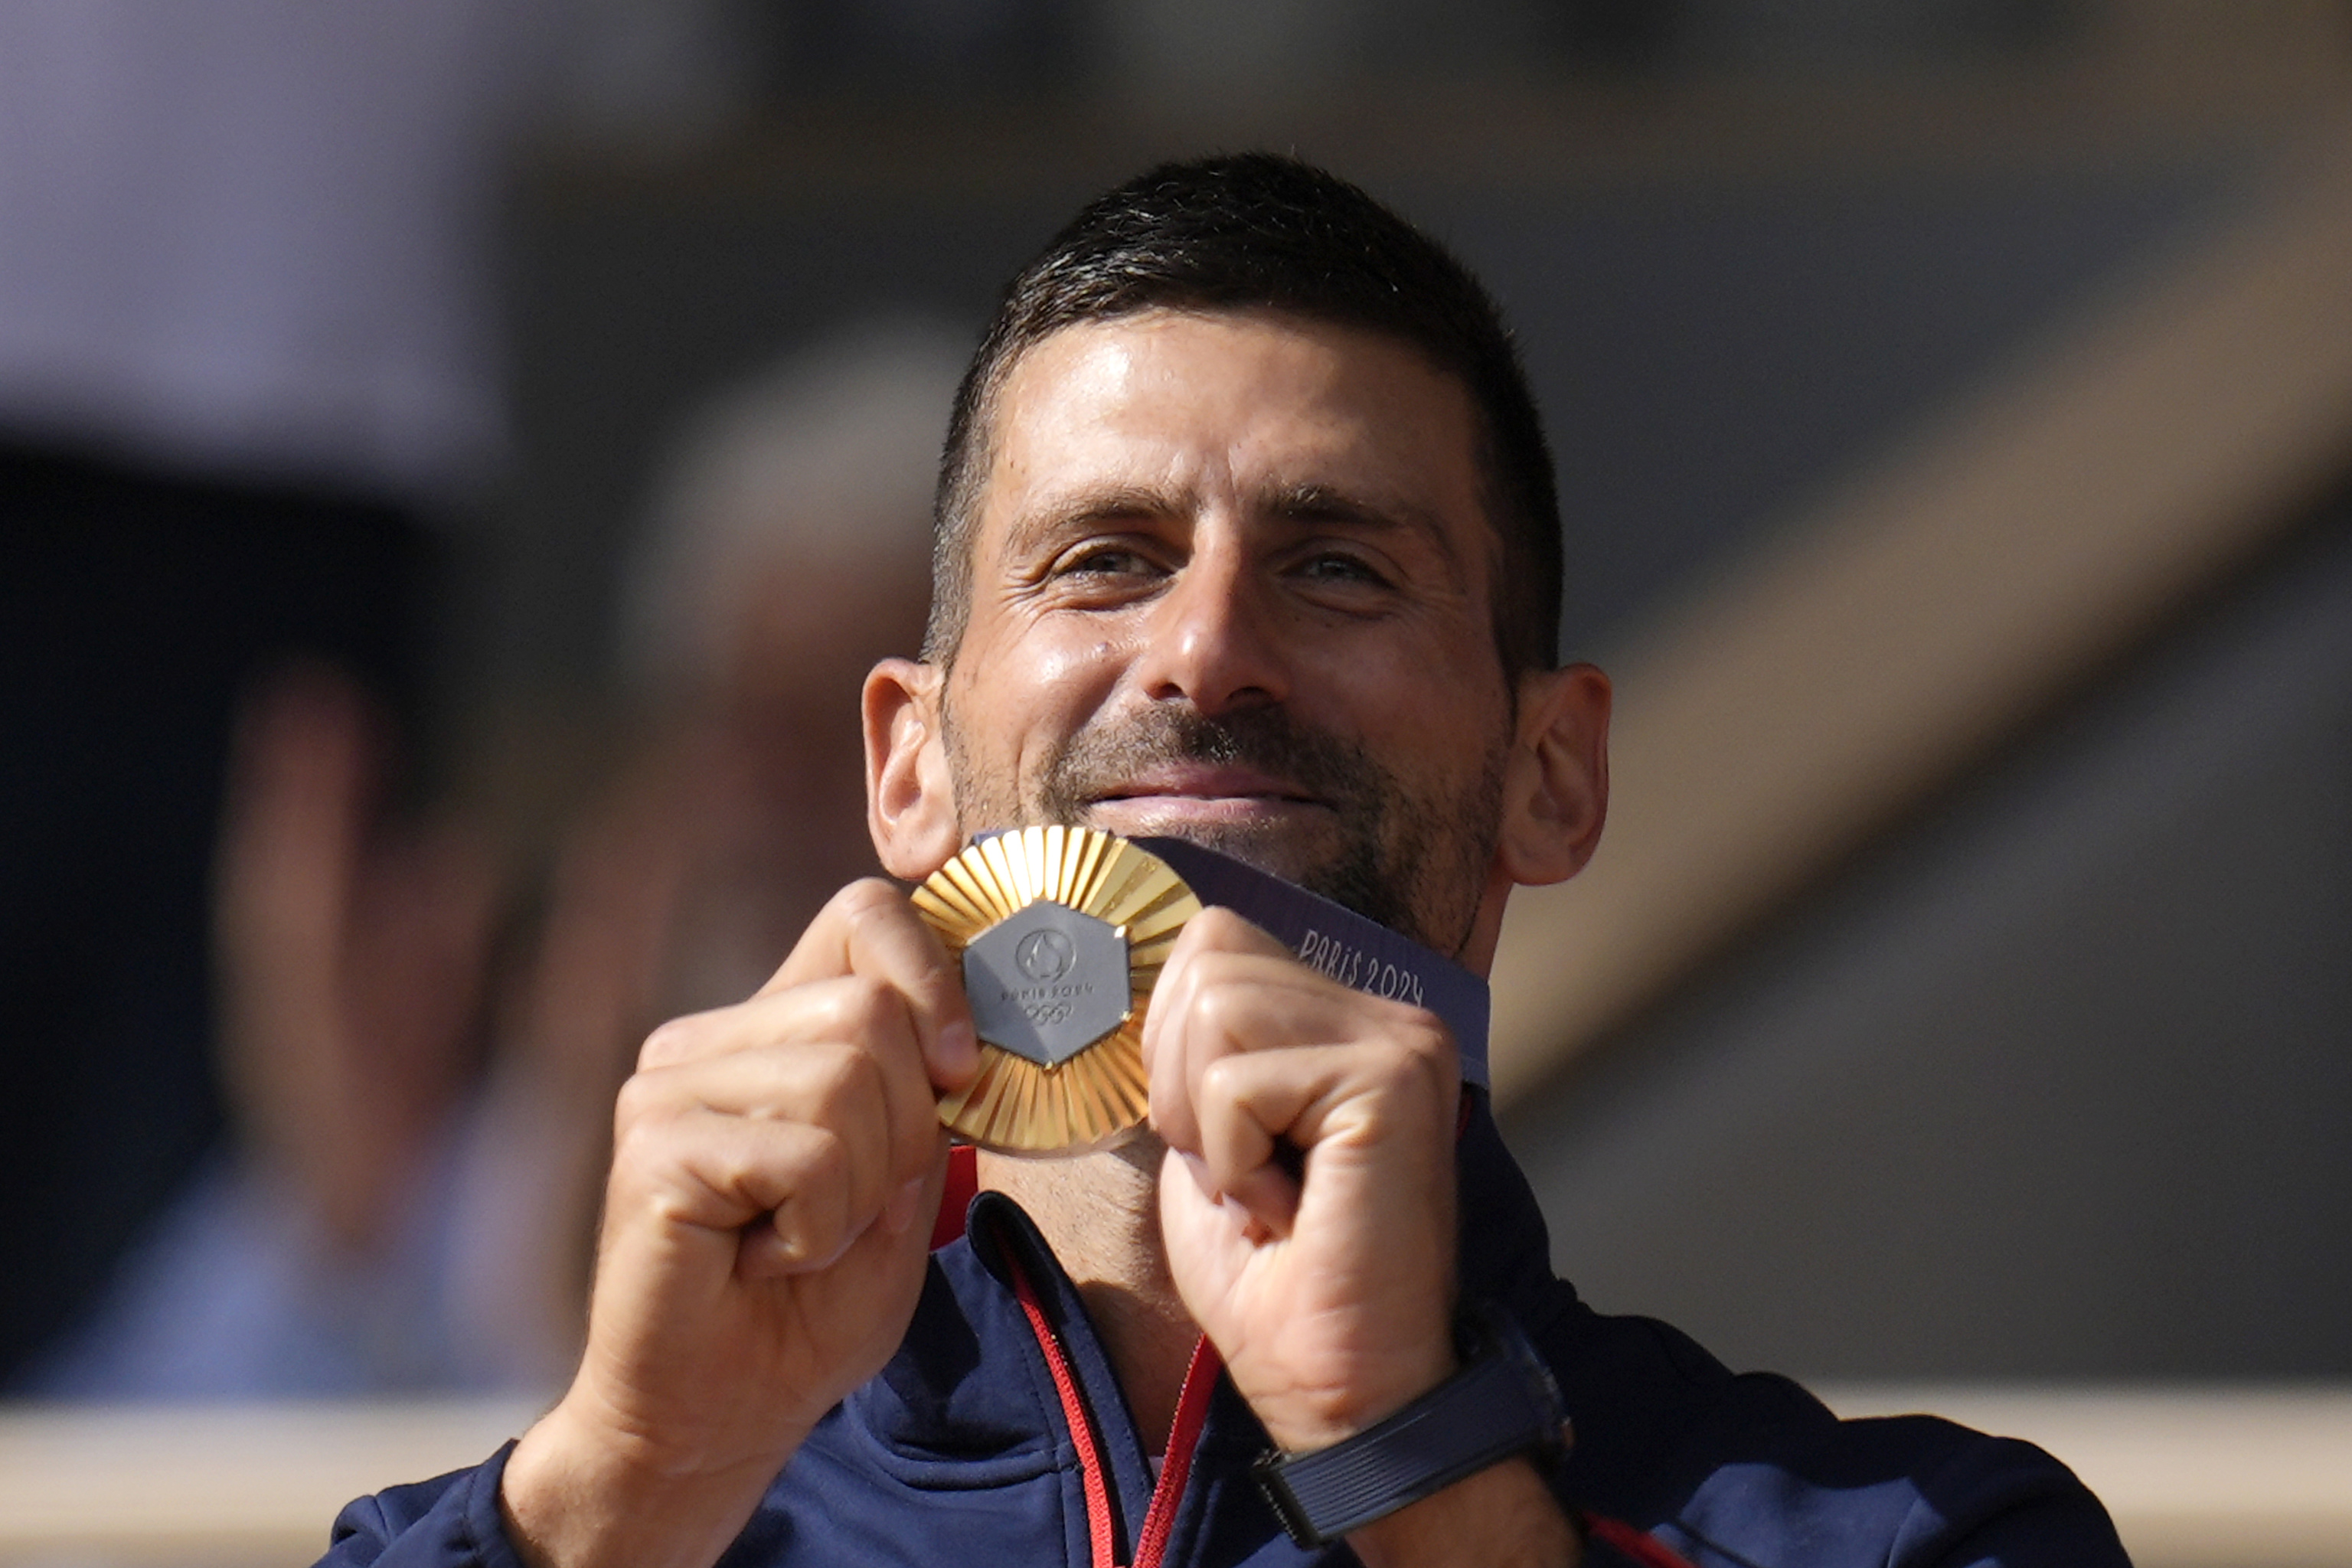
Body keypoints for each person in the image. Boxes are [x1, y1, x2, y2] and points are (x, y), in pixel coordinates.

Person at [320, 155, 2128, 1567]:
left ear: (1553, 773)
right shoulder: (588, 1530)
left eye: (1337, 564)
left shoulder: (1912, 1540)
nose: (1204, 650)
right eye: (1104, 556)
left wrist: (1416, 1455)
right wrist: (637, 1481)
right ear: (906, 766)